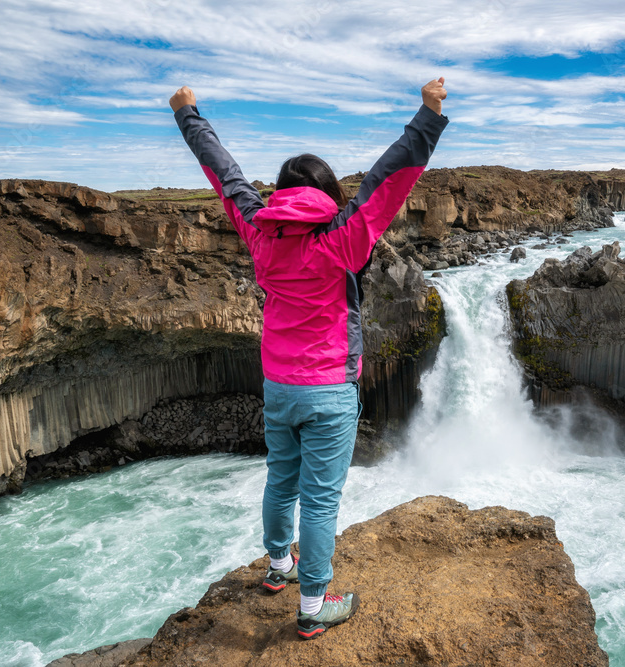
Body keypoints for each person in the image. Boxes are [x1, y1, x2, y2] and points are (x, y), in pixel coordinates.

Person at [169, 77, 449, 639]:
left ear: (281, 193)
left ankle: (278, 566)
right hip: (330, 391)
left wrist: (188, 115)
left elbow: (224, 174)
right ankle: (315, 603)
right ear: (326, 196)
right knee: (321, 500)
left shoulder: (259, 232)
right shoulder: (343, 239)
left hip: (277, 384)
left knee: (281, 479)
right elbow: (387, 181)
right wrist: (428, 114)